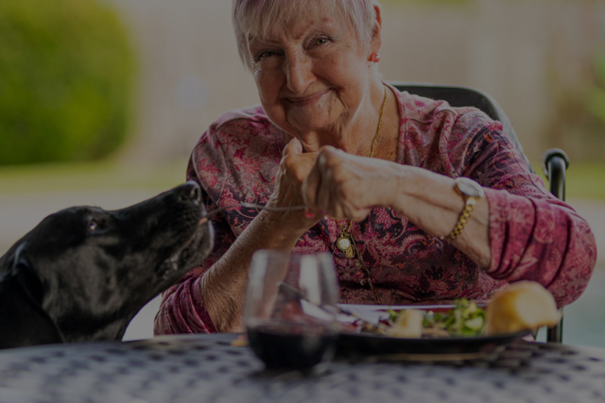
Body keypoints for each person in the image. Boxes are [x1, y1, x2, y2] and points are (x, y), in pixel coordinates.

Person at [154, 0, 597, 335]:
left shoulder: (459, 141)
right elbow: (175, 336)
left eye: (320, 41)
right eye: (268, 54)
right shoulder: (229, 152)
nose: (296, 78)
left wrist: (398, 184)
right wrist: (280, 218)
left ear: (373, 35)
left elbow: (572, 260)